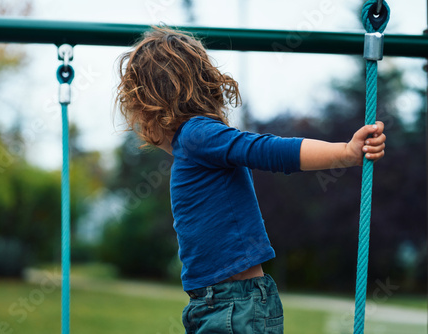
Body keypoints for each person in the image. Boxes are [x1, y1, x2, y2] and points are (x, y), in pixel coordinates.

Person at [115, 26, 386, 334]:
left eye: (140, 116)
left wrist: (346, 153)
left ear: (153, 108)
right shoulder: (193, 145)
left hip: (233, 305)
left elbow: (268, 150)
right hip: (215, 304)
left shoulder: (196, 135)